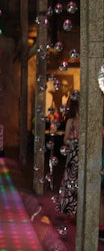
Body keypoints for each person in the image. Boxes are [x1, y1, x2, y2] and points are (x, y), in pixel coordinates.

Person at [55, 90, 80, 222]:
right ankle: (71, 211)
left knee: (80, 183)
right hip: (73, 156)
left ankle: (79, 212)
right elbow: (65, 140)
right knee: (71, 182)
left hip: (82, 156)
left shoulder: (86, 121)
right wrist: (73, 140)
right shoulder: (70, 121)